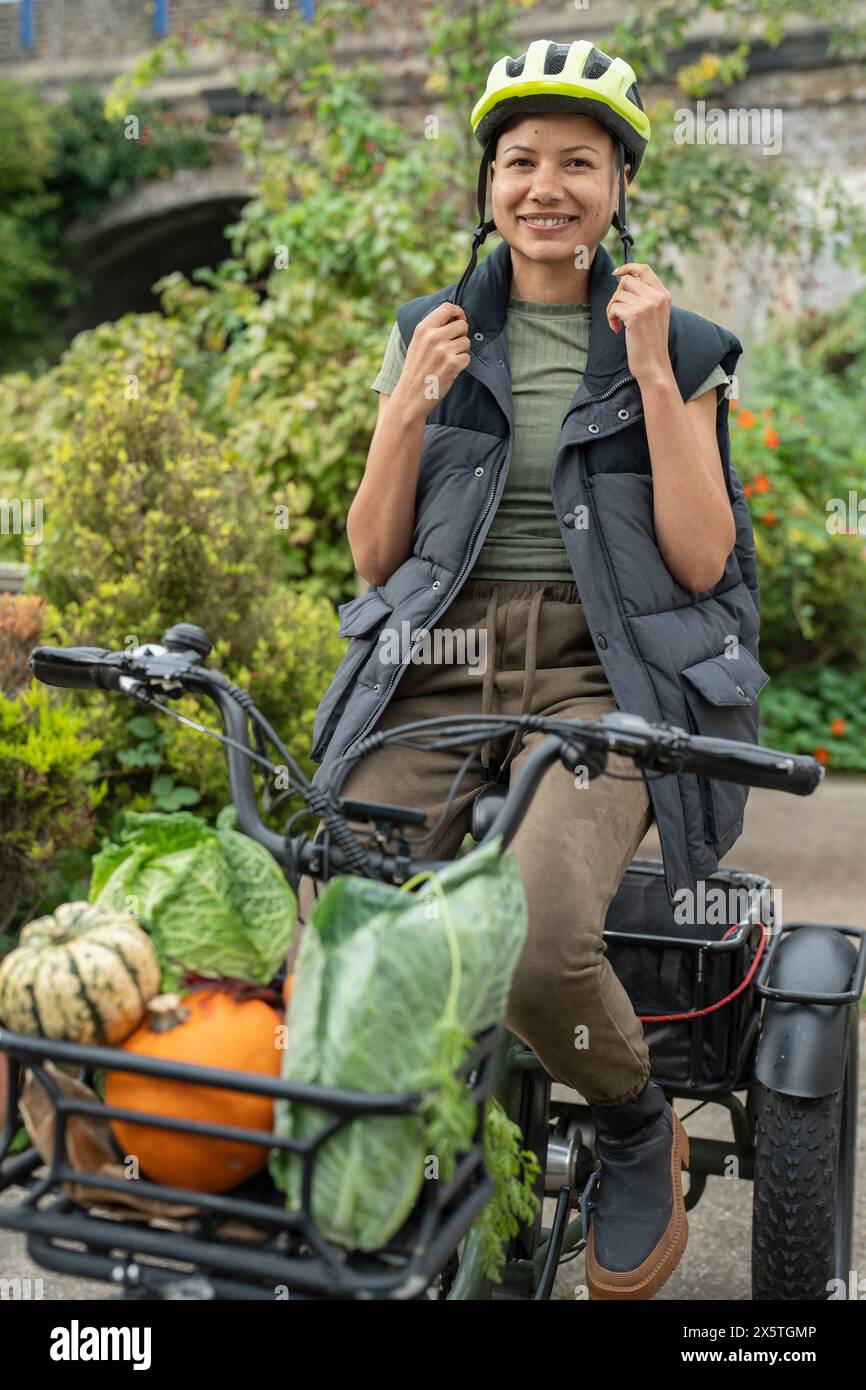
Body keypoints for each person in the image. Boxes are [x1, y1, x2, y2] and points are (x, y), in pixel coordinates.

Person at [297, 39, 762, 1299]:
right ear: (487, 184)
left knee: (539, 933)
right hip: (439, 661)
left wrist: (658, 375)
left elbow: (698, 555)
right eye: (517, 162)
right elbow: (377, 552)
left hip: (598, 667)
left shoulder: (684, 342)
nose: (542, 185)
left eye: (576, 160)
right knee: (336, 901)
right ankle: (387, 1157)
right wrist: (405, 409)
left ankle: (626, 1120)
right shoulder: (432, 335)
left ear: (619, 183)